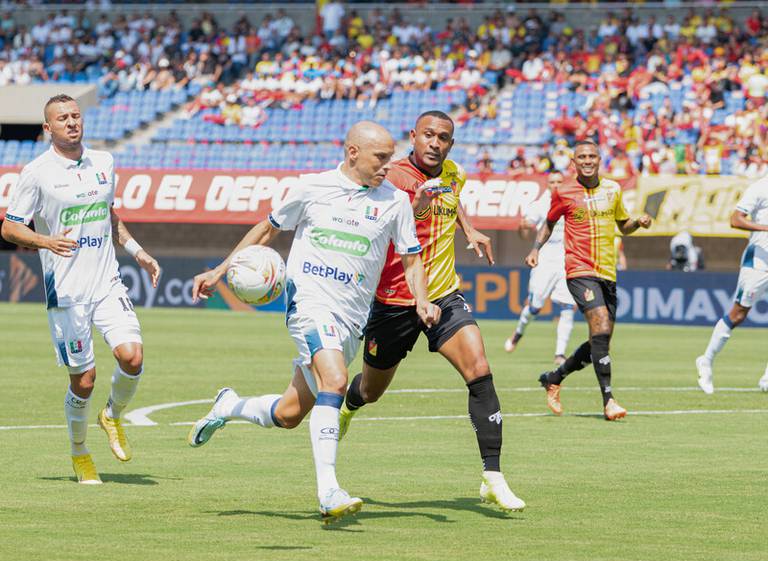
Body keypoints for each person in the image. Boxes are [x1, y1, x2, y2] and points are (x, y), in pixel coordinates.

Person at [187, 121, 440, 523]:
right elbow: (266, 231)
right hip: (309, 305)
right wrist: (220, 270)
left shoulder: (395, 202)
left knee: (289, 414)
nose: (387, 166)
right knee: (336, 382)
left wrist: (422, 300)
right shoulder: (311, 187)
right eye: (380, 157)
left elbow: (411, 259)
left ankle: (229, 405)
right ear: (352, 152)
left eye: (390, 158)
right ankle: (329, 492)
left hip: (353, 319)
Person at [337, 110, 526, 512]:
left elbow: (451, 198)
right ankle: (349, 407)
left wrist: (469, 228)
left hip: (442, 294)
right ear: (414, 136)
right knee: (371, 390)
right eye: (428, 135)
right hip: (394, 300)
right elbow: (387, 227)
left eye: (443, 137)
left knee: (479, 368)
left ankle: (492, 476)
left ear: (451, 144)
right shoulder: (391, 178)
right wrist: (419, 210)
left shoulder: (454, 172)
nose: (435, 143)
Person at [1, 94, 160, 484]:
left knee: (133, 358)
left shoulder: (104, 162)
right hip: (67, 292)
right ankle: (79, 452)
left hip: (106, 282)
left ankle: (112, 415)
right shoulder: (36, 172)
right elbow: (9, 227)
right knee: (83, 380)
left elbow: (108, 214)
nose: (72, 122)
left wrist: (137, 251)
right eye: (62, 118)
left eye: (75, 115)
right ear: (47, 128)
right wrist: (46, 241)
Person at [527, 140, 652, 420]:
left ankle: (554, 377)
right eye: (581, 156)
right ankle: (609, 401)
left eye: (591, 156)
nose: (586, 160)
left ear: (599, 159)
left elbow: (624, 226)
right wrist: (536, 249)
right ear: (574, 162)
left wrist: (638, 222)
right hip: (579, 270)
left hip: (607, 273)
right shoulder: (564, 192)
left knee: (600, 338)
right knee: (601, 324)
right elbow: (549, 222)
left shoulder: (613, 189)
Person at [696, 177, 768, 393]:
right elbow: (735, 220)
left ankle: (766, 379)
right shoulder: (760, 188)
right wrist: (764, 227)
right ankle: (706, 360)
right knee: (738, 314)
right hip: (759, 260)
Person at [505, 170, 577, 374]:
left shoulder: (572, 202)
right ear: (547, 185)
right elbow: (525, 233)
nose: (556, 185)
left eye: (559, 181)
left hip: (567, 260)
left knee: (567, 307)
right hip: (545, 260)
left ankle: (560, 353)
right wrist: (523, 228)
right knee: (535, 306)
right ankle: (518, 333)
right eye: (552, 182)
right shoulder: (539, 205)